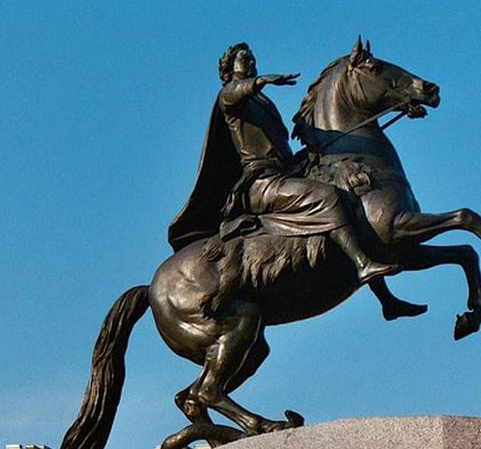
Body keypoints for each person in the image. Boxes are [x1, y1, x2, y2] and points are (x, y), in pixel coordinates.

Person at [169, 43, 398, 285]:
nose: (250, 62)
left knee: (348, 193)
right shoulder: (231, 96)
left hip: (284, 172)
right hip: (261, 183)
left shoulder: (263, 102)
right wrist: (261, 81)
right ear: (229, 69)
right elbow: (234, 93)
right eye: (243, 59)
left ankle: (386, 298)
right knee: (326, 196)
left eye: (252, 58)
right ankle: (362, 265)